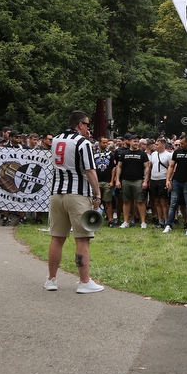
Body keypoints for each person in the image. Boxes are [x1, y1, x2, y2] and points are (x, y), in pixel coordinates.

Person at [44, 111, 103, 293]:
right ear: (80, 125)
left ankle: (51, 279)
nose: (88, 129)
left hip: (56, 193)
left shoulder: (55, 140)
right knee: (82, 238)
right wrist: (97, 194)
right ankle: (84, 282)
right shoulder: (83, 143)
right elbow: (90, 170)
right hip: (77, 194)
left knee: (57, 238)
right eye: (87, 125)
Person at [164, 134, 187, 235]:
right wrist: (168, 180)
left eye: (183, 143)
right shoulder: (177, 152)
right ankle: (168, 225)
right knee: (173, 204)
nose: (181, 145)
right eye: (180, 143)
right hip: (176, 181)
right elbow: (171, 166)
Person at [116, 134, 149, 229]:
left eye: (138, 141)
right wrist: (117, 180)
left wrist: (145, 181)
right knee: (126, 201)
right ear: (130, 141)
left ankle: (143, 222)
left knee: (140, 201)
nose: (136, 143)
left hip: (138, 180)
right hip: (125, 180)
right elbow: (119, 167)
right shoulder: (123, 154)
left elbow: (147, 168)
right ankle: (126, 221)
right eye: (134, 141)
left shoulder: (142, 154)